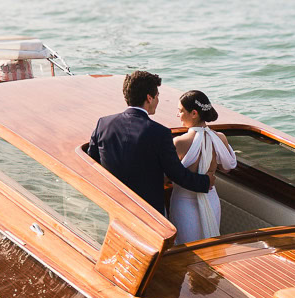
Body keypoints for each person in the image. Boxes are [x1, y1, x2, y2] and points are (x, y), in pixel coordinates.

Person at [83, 71, 211, 222]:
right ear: (149, 98)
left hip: (111, 208)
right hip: (148, 213)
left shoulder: (103, 124)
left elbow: (91, 165)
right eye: (157, 96)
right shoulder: (160, 133)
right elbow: (176, 174)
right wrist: (206, 181)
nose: (158, 100)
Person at [169, 90, 237, 245]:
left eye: (180, 111)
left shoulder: (179, 142)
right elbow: (227, 167)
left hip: (184, 204)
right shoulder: (220, 138)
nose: (178, 115)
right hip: (211, 199)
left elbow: (168, 175)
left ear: (194, 113)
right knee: (209, 246)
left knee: (186, 249)